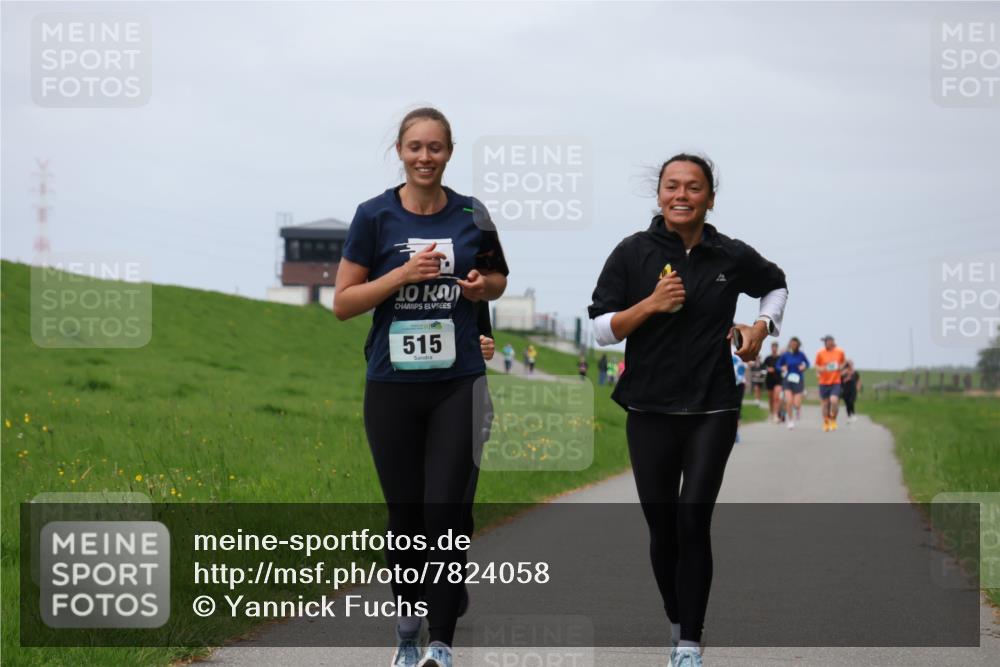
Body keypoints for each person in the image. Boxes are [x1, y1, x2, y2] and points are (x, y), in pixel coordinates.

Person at [588, 153, 787, 667]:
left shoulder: (730, 255)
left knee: (693, 520)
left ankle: (689, 644)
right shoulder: (632, 253)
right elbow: (599, 329)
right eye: (672, 186)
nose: (682, 195)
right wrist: (649, 304)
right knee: (662, 526)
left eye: (693, 187)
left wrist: (760, 328)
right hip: (648, 408)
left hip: (711, 407)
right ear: (659, 195)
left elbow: (776, 284)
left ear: (710, 198)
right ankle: (677, 618)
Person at [334, 107, 509, 667]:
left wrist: (482, 287)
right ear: (400, 152)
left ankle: (441, 641)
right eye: (414, 147)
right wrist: (401, 277)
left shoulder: (471, 213)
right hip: (392, 385)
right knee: (406, 515)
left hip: (458, 382)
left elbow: (499, 277)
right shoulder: (374, 216)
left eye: (435, 148)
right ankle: (408, 625)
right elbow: (343, 302)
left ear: (449, 152)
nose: (424, 157)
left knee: (446, 513)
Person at [815, 335, 846, 432]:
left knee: (834, 400)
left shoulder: (840, 351)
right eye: (825, 341)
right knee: (825, 403)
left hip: (835, 381)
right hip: (823, 382)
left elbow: (844, 362)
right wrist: (821, 369)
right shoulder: (820, 353)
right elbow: (816, 365)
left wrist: (841, 367)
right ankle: (826, 421)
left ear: (833, 342)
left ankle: (833, 419)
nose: (827, 343)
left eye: (828, 341)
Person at [776, 337, 809, 429]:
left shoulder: (801, 355)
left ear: (798, 345)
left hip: (798, 380)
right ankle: (790, 421)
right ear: (790, 344)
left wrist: (804, 367)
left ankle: (798, 409)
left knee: (796, 403)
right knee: (789, 401)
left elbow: (807, 363)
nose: (793, 345)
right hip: (788, 380)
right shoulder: (786, 355)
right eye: (792, 344)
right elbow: (778, 365)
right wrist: (782, 368)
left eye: (795, 344)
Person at [762, 341, 783, 423]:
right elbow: (763, 367)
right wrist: (768, 369)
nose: (774, 348)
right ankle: (771, 412)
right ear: (771, 348)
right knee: (771, 398)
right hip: (769, 380)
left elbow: (783, 366)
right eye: (773, 347)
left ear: (777, 348)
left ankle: (776, 415)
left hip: (778, 379)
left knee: (776, 398)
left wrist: (778, 369)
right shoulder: (768, 358)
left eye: (775, 347)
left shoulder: (780, 358)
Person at [732, 342, 747, 443]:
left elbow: (747, 363)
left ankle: (735, 432)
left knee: (737, 408)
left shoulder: (741, 347)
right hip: (725, 381)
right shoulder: (720, 345)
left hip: (740, 382)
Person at [840, 359, 861, 423]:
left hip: (853, 390)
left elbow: (858, 380)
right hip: (845, 390)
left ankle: (853, 414)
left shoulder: (855, 372)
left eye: (851, 364)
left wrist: (858, 387)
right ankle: (849, 416)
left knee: (851, 401)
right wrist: (844, 376)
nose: (851, 366)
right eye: (849, 364)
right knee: (847, 403)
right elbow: (839, 380)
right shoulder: (843, 372)